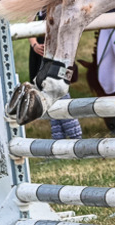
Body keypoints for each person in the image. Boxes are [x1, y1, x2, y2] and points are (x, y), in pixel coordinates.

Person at [29, 10, 82, 140]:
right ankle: (58, 138)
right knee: (47, 92)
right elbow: (29, 20)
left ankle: (75, 136)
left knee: (60, 88)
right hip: (42, 48)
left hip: (62, 47)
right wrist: (34, 44)